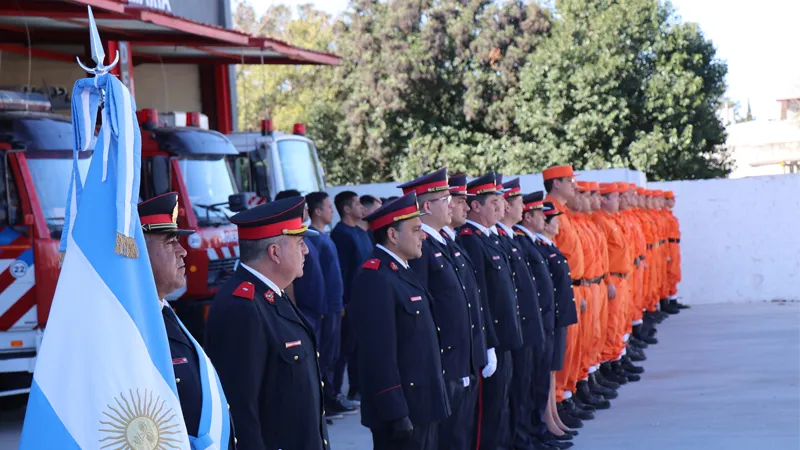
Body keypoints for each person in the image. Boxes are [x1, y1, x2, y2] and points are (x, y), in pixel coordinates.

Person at [204, 197, 329, 450]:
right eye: (300, 243)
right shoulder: (243, 307)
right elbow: (240, 409)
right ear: (274, 252)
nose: (306, 250)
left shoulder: (271, 295)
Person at [350, 192, 451, 450]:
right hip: (403, 409)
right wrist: (395, 410)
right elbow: (377, 353)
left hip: (422, 403)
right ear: (393, 235)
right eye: (416, 229)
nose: (423, 235)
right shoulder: (376, 277)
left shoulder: (401, 270)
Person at [139, 192, 236, 450]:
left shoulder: (163, 312)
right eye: (170, 242)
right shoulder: (127, 327)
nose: (183, 251)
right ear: (135, 250)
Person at [399, 168, 477, 450]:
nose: (454, 204)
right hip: (445, 361)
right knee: (447, 437)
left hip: (459, 358)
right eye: (446, 198)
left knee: (459, 434)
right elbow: (424, 312)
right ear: (428, 205)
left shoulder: (442, 242)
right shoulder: (423, 249)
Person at [457, 172, 522, 450]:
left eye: (501, 202)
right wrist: (489, 343)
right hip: (492, 338)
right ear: (476, 206)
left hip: (506, 335)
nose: (501, 207)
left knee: (502, 406)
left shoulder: (491, 238)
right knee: (487, 413)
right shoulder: (471, 240)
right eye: (494, 202)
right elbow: (480, 297)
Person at [515, 192, 578, 449]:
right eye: (542, 215)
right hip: (541, 319)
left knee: (550, 370)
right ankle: (543, 423)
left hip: (552, 316)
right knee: (540, 375)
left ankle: (549, 419)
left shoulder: (539, 245)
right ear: (528, 217)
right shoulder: (528, 245)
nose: (547, 220)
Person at [497, 177, 549, 449]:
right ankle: (523, 439)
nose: (517, 208)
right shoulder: (503, 239)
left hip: (528, 324)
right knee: (517, 390)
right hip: (515, 328)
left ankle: (531, 434)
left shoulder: (510, 239)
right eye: (516, 203)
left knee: (529, 385)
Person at [542, 165, 593, 425]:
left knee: (574, 348)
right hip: (566, 288)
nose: (574, 186)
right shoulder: (549, 213)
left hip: (577, 286)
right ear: (556, 184)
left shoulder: (564, 213)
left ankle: (568, 395)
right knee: (564, 351)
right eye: (569, 181)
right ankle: (560, 402)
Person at [306, 191, 356, 421]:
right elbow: (318, 279)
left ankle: (330, 398)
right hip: (326, 309)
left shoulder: (325, 237)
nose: (331, 211)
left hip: (336, 306)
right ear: (316, 211)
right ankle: (323, 403)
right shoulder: (312, 237)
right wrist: (324, 309)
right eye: (327, 207)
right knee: (323, 357)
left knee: (333, 355)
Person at [332, 191, 373, 404]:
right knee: (345, 350)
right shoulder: (341, 234)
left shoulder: (360, 233)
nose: (362, 207)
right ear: (346, 209)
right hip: (350, 301)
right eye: (357, 203)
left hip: (364, 300)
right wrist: (344, 302)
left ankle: (358, 388)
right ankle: (337, 393)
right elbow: (343, 272)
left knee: (360, 347)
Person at [275, 189, 327, 334]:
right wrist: (294, 312)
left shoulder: (303, 235)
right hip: (302, 311)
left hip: (313, 310)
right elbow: (288, 280)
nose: (307, 209)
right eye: (303, 206)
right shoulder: (287, 238)